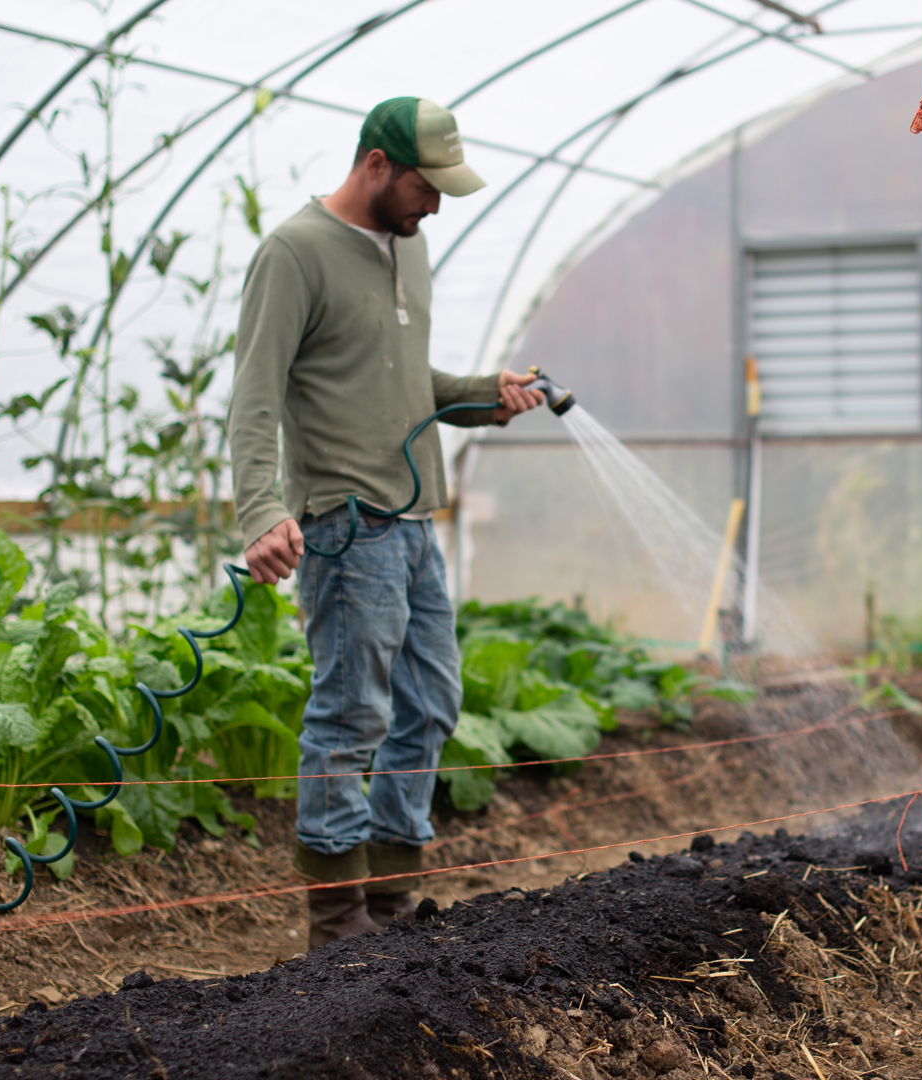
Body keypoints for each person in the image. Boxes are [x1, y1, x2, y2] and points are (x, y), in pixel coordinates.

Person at [228, 96, 545, 949]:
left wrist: (489, 396)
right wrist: (262, 510)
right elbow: (255, 398)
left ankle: (393, 907)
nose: (436, 204)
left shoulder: (412, 246)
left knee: (432, 700)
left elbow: (408, 385)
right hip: (346, 524)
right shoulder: (295, 254)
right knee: (349, 714)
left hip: (413, 525)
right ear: (376, 164)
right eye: (426, 186)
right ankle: (337, 922)